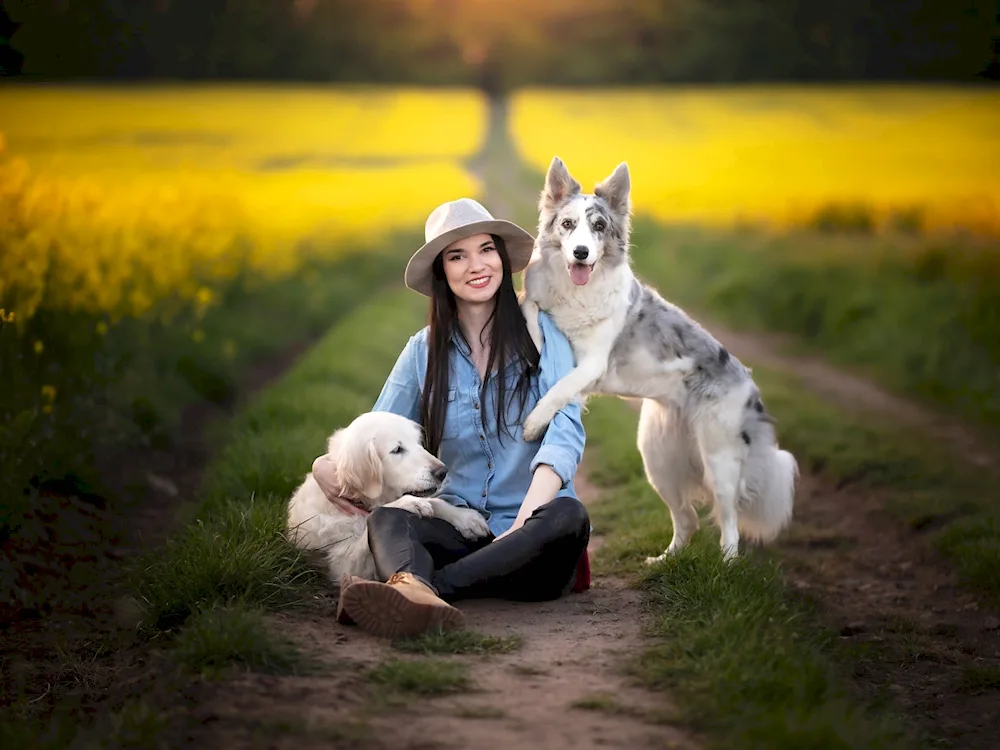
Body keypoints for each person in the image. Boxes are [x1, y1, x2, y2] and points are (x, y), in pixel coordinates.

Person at [323, 197, 590, 638]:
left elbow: (565, 434)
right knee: (390, 518)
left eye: (486, 249)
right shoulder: (422, 352)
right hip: (458, 529)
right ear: (441, 272)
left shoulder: (546, 333)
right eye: (457, 256)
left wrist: (520, 528)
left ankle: (417, 591)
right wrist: (323, 467)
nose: (476, 265)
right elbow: (375, 431)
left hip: (532, 542)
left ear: (503, 258)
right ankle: (419, 591)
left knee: (569, 515)